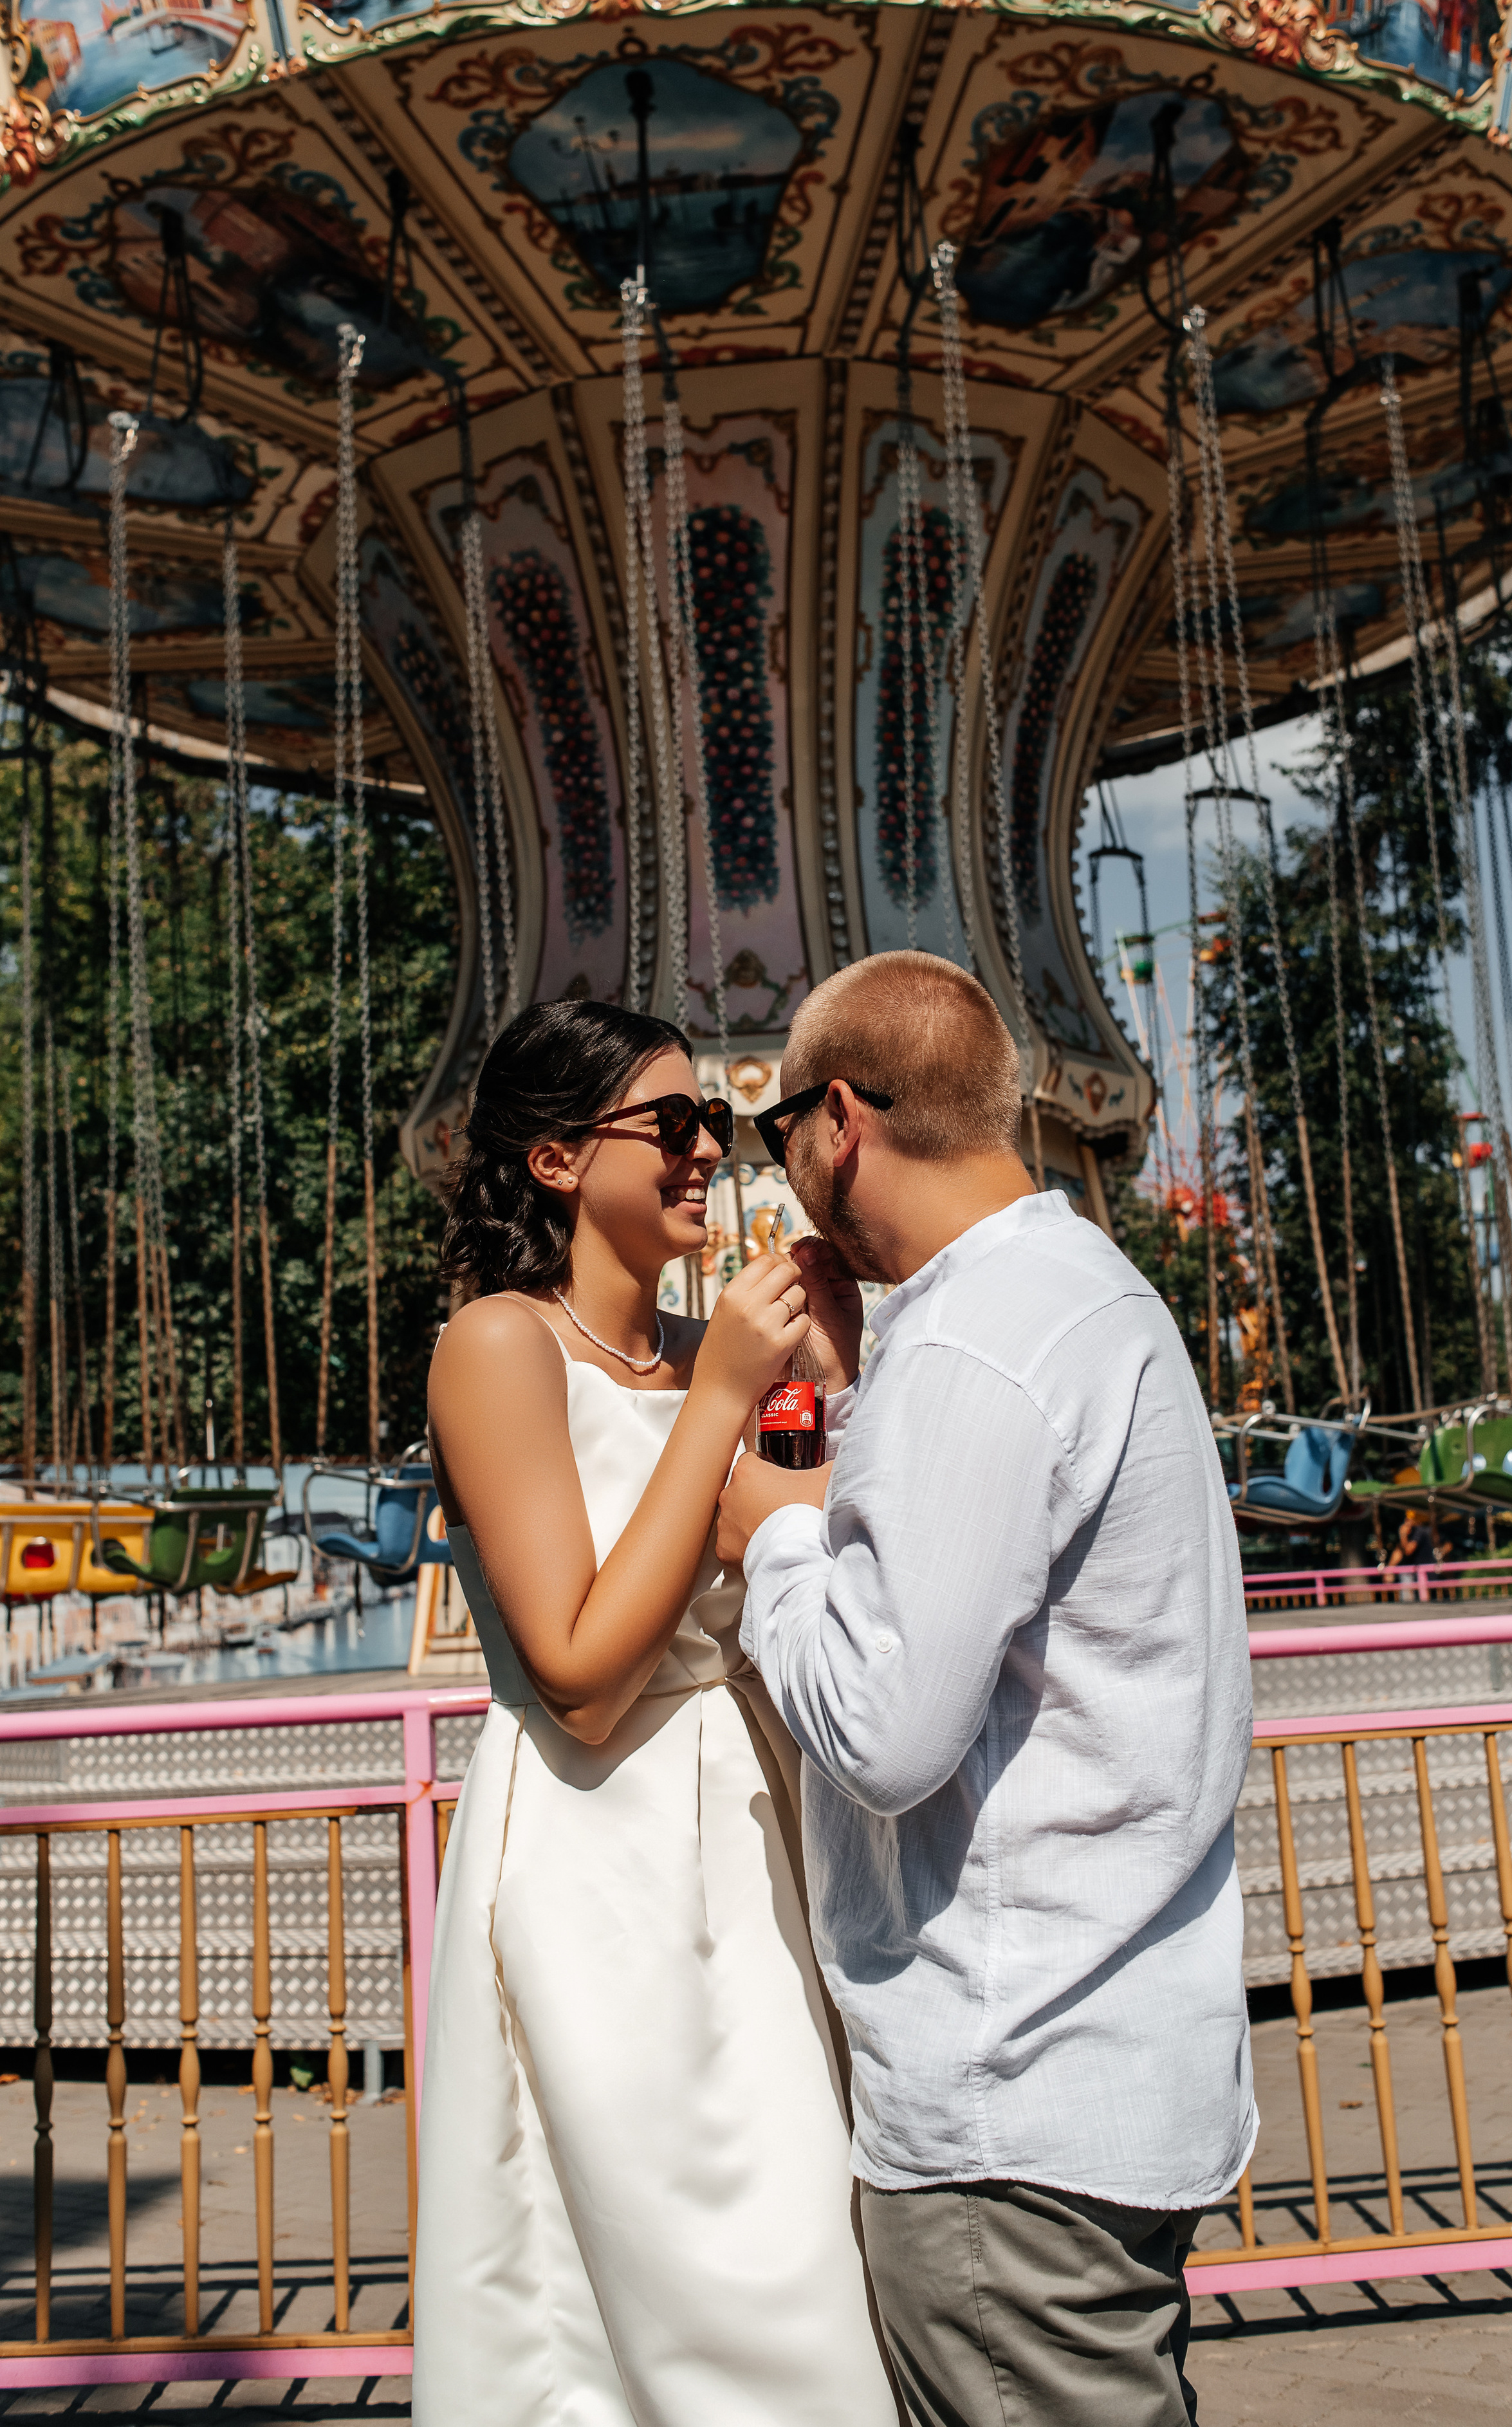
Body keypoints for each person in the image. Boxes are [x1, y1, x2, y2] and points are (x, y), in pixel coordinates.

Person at [717, 949, 1256, 2427]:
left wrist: (762, 1534)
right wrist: (846, 1399)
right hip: (1107, 2063)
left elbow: (887, 1736)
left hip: (1003, 2106)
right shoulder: (1081, 1296)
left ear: (840, 1119)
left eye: (774, 1133)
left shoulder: (968, 1344)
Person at [412, 999, 899, 2427]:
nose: (704, 1153)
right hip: (594, 1854)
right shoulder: (499, 1347)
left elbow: (846, 1535)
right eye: (671, 1124)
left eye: (714, 1126)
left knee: (804, 2250)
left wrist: (852, 1375)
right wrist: (721, 1402)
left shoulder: (704, 1356)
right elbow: (578, 1669)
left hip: (744, 1839)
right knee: (658, 2286)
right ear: (557, 1159)